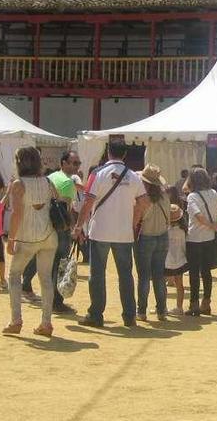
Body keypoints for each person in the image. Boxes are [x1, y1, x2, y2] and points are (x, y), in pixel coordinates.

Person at [73, 139, 148, 328]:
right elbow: (144, 202)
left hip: (100, 230)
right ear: (124, 155)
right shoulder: (133, 176)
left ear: (108, 152)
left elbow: (88, 202)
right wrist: (133, 221)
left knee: (97, 274)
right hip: (124, 233)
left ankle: (96, 314)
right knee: (126, 274)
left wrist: (78, 225)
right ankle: (129, 315)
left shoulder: (97, 174)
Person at [2, 147, 59, 337]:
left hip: (27, 237)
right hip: (49, 235)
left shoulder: (19, 184)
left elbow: (17, 214)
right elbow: (58, 200)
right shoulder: (47, 181)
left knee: (14, 275)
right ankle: (46, 323)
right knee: (46, 279)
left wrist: (11, 239)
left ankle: (15, 320)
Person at [22, 151, 81, 314]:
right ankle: (56, 302)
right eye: (73, 163)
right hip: (60, 227)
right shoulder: (68, 183)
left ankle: (26, 285)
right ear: (63, 163)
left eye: (78, 163)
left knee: (39, 257)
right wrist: (74, 228)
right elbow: (67, 209)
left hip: (43, 226)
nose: (76, 166)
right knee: (59, 264)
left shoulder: (51, 177)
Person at [134, 164, 171, 322]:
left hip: (146, 238)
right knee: (159, 275)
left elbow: (135, 222)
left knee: (143, 276)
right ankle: (161, 310)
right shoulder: (165, 197)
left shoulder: (143, 199)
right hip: (162, 236)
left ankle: (141, 311)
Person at [185, 167, 217, 316]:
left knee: (194, 273)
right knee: (206, 272)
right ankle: (206, 303)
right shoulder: (213, 193)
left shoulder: (192, 196)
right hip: (209, 238)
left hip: (194, 238)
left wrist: (210, 225)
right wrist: (214, 226)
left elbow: (198, 216)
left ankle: (193, 304)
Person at [165, 204, 188, 316]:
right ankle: (179, 307)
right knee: (180, 285)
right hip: (180, 260)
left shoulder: (166, 231)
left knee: (162, 284)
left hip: (167, 261)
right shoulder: (182, 231)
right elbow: (184, 246)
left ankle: (162, 307)